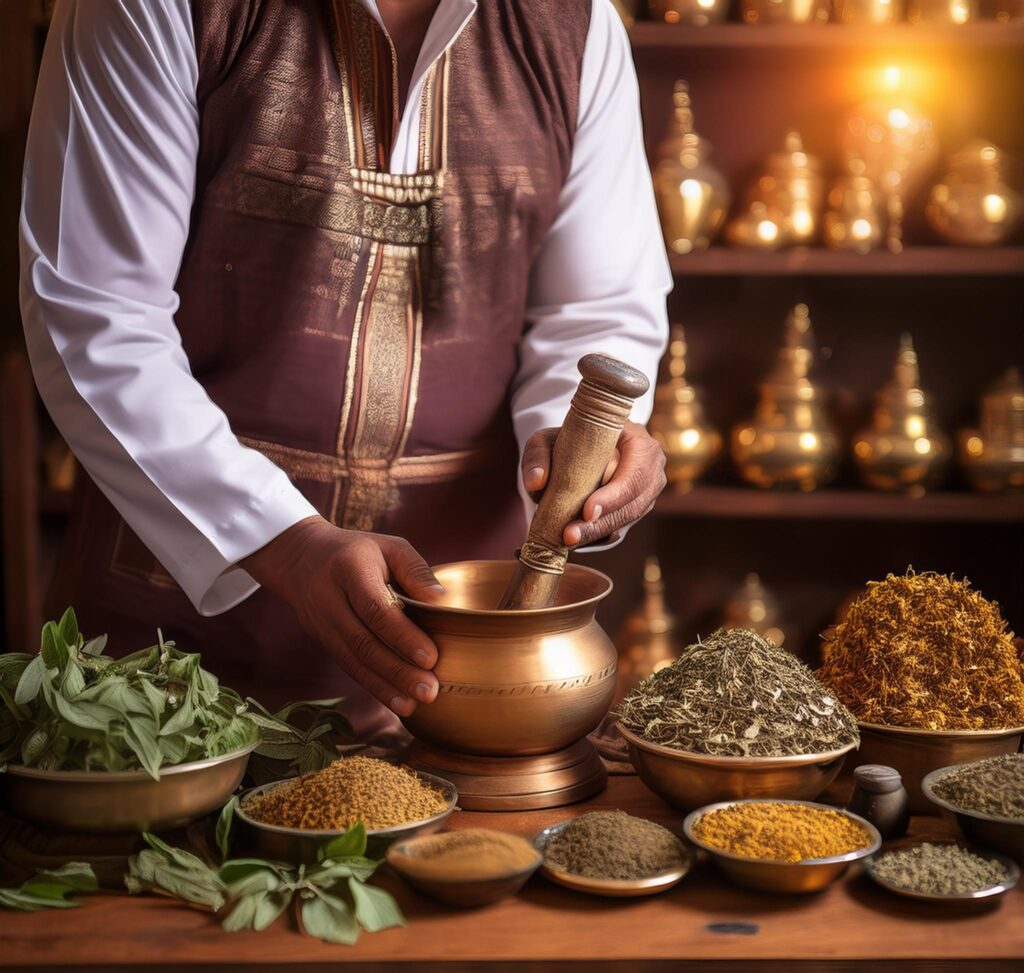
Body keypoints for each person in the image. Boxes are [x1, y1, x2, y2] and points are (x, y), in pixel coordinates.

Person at [20, 0, 670, 734]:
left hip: (457, 674)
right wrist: (286, 544)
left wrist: (579, 463)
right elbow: (100, 319)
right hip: (162, 678)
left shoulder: (575, 25)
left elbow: (597, 309)